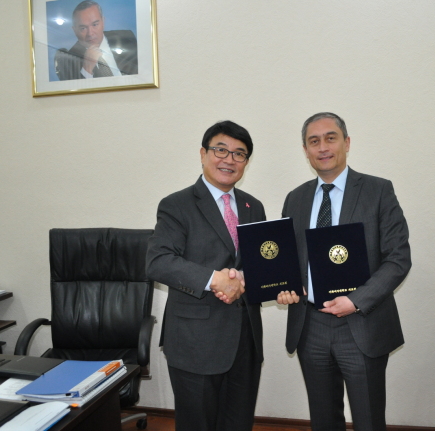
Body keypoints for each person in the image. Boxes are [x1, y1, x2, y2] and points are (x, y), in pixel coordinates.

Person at [277, 112, 411, 431]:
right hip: (310, 325)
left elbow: (398, 258)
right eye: (314, 141)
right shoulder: (295, 199)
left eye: (330, 138)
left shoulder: (378, 191)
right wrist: (285, 285)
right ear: (306, 150)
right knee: (324, 421)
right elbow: (288, 261)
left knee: (368, 420)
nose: (322, 147)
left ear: (347, 143)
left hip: (360, 322)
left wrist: (357, 300)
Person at [146, 121, 265, 431]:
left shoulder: (254, 207)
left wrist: (253, 281)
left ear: (246, 163)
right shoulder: (176, 205)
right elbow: (158, 261)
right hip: (194, 342)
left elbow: (260, 262)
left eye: (239, 154)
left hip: (245, 340)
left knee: (238, 424)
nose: (229, 159)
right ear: (203, 153)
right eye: (220, 150)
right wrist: (215, 280)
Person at [54, 0, 138, 80]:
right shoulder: (67, 60)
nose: (90, 33)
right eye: (83, 28)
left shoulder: (127, 37)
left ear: (103, 22)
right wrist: (87, 70)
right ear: (74, 30)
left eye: (95, 24)